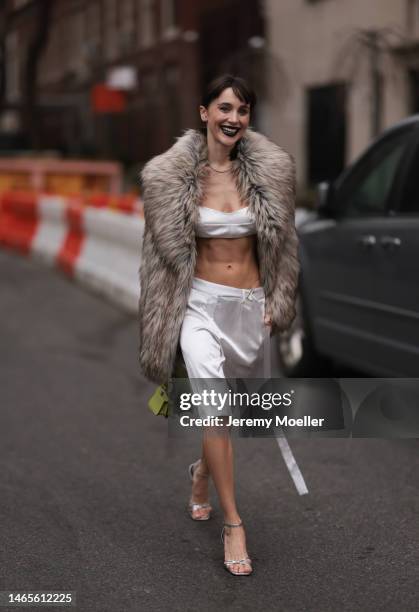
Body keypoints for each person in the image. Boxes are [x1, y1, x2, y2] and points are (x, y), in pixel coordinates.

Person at [138, 74, 299, 576]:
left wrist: (279, 296)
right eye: (225, 108)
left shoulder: (271, 173)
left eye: (243, 110)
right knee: (214, 410)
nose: (234, 118)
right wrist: (162, 320)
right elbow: (158, 260)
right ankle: (233, 522)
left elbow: (283, 244)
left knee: (228, 414)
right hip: (199, 307)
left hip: (250, 309)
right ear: (204, 112)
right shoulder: (167, 179)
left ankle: (201, 473)